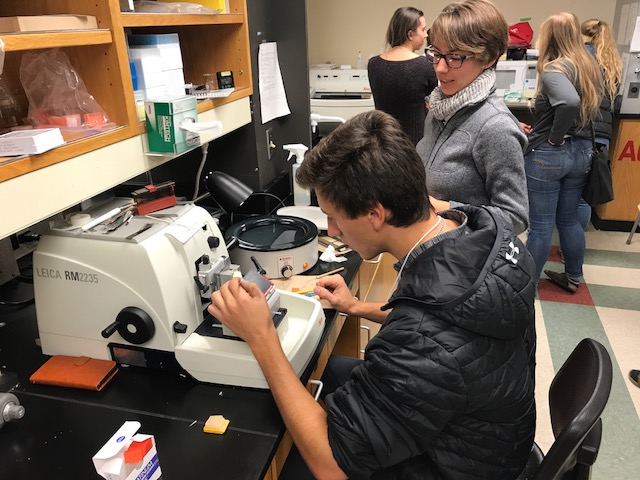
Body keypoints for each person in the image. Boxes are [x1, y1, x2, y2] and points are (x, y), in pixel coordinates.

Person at [209, 110, 537, 479]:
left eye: (334, 217)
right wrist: (355, 306)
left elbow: (331, 468)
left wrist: (261, 337)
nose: (331, 230)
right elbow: (451, 332)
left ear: (375, 214)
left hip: (452, 467)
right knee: (331, 372)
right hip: (492, 440)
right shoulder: (484, 230)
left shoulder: (422, 339)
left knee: (280, 462)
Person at [416, 0, 529, 235]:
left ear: (488, 58)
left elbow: (515, 218)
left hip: (466, 263)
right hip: (432, 253)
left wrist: (446, 209)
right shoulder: (438, 110)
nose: (440, 68)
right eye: (436, 54)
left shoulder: (495, 127)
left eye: (455, 57)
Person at [524, 12, 604, 291]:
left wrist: (555, 137)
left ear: (550, 37)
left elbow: (568, 103)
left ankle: (527, 286)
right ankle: (573, 277)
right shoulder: (589, 65)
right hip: (581, 152)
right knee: (569, 219)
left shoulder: (555, 69)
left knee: (541, 225)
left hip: (550, 156)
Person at [576, 19, 623, 230]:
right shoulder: (613, 63)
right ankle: (576, 243)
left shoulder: (579, 59)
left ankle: (569, 242)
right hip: (601, 137)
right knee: (584, 198)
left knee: (572, 197)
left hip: (580, 133)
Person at [367, 6, 438, 145]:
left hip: (382, 143)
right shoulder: (425, 65)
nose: (426, 35)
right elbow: (434, 100)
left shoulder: (373, 64)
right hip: (414, 146)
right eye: (423, 30)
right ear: (410, 34)